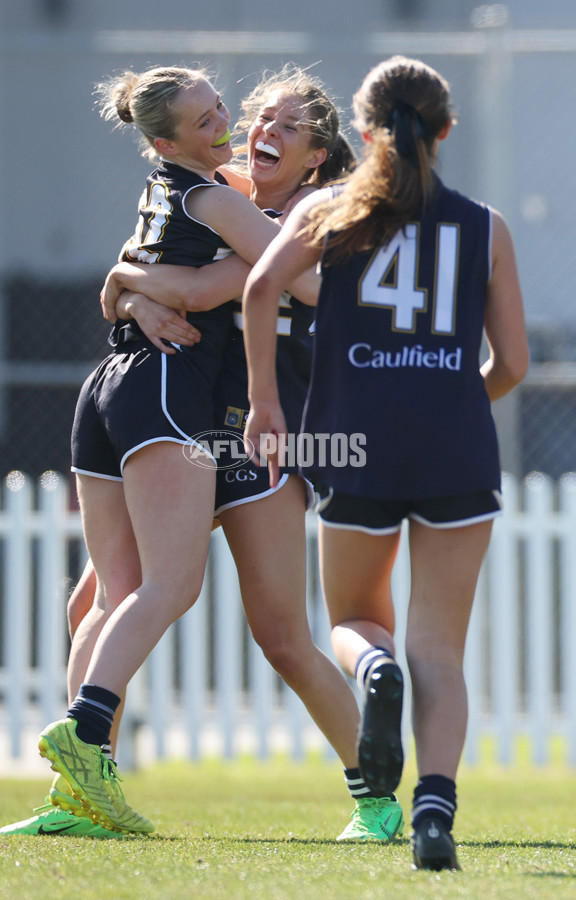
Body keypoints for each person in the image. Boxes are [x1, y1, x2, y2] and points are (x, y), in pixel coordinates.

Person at [3, 66, 396, 842]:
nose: (260, 131)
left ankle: (377, 797)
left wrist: (148, 284)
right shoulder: (222, 190)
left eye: (288, 126)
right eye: (257, 118)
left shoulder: (325, 219)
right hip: (175, 414)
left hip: (254, 434)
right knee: (100, 600)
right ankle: (85, 788)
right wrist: (132, 288)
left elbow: (245, 284)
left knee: (281, 634)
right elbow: (136, 279)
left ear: (319, 156)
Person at [241, 55, 529, 871]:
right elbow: (511, 362)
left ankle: (372, 673)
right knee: (440, 651)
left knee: (354, 621)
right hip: (455, 445)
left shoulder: (331, 207)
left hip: (355, 442)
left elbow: (261, 290)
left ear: (363, 130)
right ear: (445, 130)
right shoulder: (486, 225)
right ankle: (434, 814)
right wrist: (453, 395)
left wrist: (266, 403)